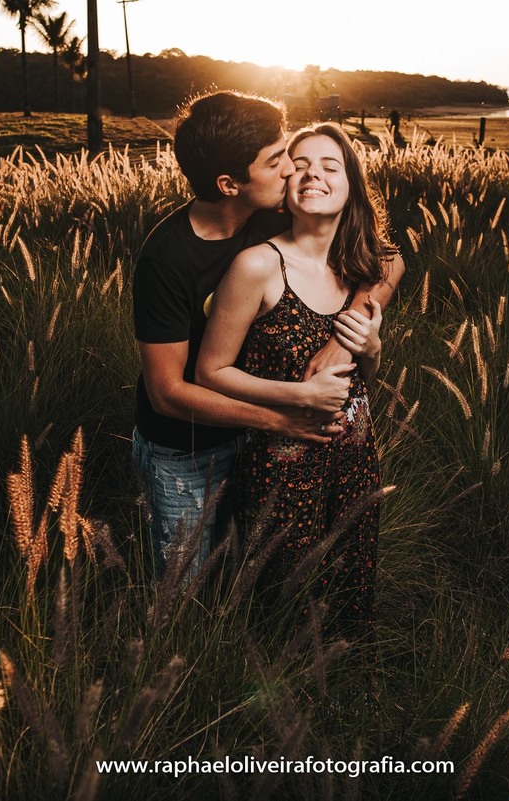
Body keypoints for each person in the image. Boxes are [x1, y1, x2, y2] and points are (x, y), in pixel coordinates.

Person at [132, 92, 400, 580]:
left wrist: (344, 338)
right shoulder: (167, 259)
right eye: (277, 161)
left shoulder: (272, 210)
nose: (293, 171)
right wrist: (280, 417)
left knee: (252, 576)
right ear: (229, 184)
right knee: (186, 588)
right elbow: (167, 393)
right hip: (187, 449)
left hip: (261, 443)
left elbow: (387, 258)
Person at [197, 124, 402, 638]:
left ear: (351, 185)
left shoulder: (361, 265)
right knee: (286, 604)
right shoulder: (259, 265)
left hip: (356, 460)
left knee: (350, 591)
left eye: (330, 167)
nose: (314, 175)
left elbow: (361, 378)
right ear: (285, 185)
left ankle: (349, 683)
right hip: (283, 466)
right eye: (301, 166)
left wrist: (370, 351)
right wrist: (299, 395)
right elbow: (210, 371)